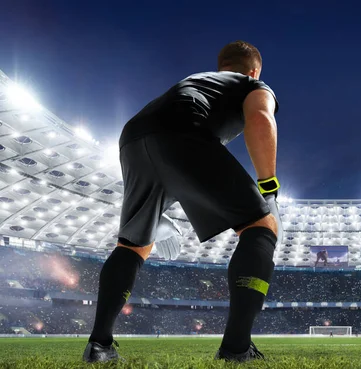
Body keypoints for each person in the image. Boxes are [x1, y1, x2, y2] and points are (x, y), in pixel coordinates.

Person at [82, 40, 281, 363]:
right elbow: (260, 118)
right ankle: (236, 349)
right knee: (261, 225)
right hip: (182, 132)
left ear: (222, 66)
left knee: (133, 245)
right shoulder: (252, 84)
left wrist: (159, 209)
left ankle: (99, 345)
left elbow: (164, 150)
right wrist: (268, 184)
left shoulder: (199, 81)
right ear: (254, 70)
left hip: (132, 137)